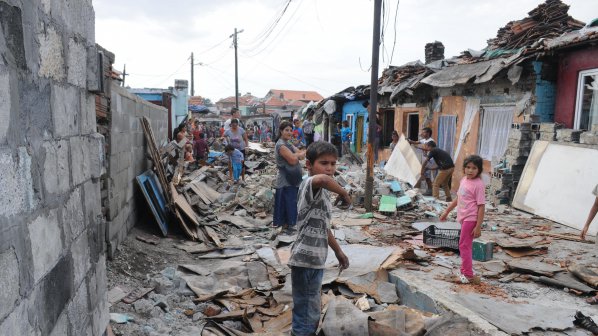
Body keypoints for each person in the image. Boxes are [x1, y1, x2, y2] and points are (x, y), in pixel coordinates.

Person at [288, 141, 351, 336]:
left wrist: (338, 251)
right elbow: (323, 179)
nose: (330, 168)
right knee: (306, 313)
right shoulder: (309, 184)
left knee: (310, 309)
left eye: (333, 163)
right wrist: (344, 192)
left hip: (315, 260)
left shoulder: (322, 191)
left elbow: (324, 226)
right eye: (324, 163)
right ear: (308, 165)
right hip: (305, 260)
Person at [440, 155, 485, 284]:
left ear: (479, 170)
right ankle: (465, 270)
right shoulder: (464, 180)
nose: (470, 170)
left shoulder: (479, 185)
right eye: (468, 167)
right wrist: (447, 211)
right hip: (463, 217)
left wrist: (478, 226)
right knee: (465, 245)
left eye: (474, 168)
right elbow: (459, 198)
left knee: (464, 245)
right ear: (464, 168)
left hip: (471, 218)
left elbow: (481, 206)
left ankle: (468, 275)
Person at [273, 121, 305, 232]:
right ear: (281, 131)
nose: (289, 132)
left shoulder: (288, 144)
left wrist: (296, 155)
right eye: (287, 130)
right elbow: (292, 160)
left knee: (293, 200)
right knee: (288, 200)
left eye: (291, 130)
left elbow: (301, 155)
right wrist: (296, 155)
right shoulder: (281, 145)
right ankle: (289, 225)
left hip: (293, 178)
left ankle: (290, 224)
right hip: (285, 179)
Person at [409, 127, 436, 194]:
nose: (422, 133)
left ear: (428, 133)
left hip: (430, 160)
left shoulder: (431, 141)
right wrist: (409, 141)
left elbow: (429, 149)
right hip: (426, 160)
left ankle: (430, 190)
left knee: (428, 176)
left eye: (424, 132)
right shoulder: (424, 140)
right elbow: (416, 142)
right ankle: (429, 190)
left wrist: (418, 147)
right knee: (426, 175)